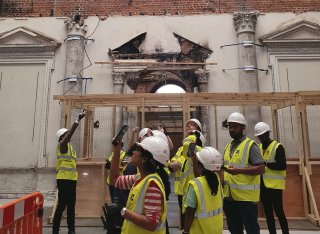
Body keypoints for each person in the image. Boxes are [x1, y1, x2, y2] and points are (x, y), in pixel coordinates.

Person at [109, 136, 171, 234]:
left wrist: (123, 211)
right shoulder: (139, 178)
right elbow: (114, 180)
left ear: (144, 159)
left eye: (137, 150)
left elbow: (151, 224)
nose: (133, 152)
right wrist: (117, 150)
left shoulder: (152, 185)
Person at [223, 112, 265, 234]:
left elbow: (261, 168)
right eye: (230, 127)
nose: (231, 130)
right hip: (229, 198)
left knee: (251, 229)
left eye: (235, 127)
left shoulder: (250, 145)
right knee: (234, 229)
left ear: (243, 128)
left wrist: (239, 171)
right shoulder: (227, 146)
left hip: (246, 200)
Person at [52, 111, 86, 234]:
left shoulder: (70, 148)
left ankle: (71, 229)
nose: (68, 135)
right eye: (66, 134)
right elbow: (69, 134)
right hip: (64, 180)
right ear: (62, 137)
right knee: (62, 206)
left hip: (71, 180)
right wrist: (77, 120)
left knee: (71, 206)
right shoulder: (63, 145)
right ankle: (55, 230)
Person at [168, 118, 204, 230]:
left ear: (198, 130)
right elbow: (172, 164)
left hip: (192, 185)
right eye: (187, 125)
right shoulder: (181, 148)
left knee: (190, 216)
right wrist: (176, 163)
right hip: (181, 187)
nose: (189, 126)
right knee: (185, 216)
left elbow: (178, 163)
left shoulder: (193, 142)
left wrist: (178, 163)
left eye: (192, 125)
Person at [254, 122, 289, 234]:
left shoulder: (278, 147)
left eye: (263, 135)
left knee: (279, 212)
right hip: (263, 186)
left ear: (268, 133)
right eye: (259, 136)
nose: (261, 137)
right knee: (268, 213)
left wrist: (266, 164)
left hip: (275, 186)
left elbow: (282, 165)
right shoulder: (258, 147)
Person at [183, 147, 223, 234]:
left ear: (200, 164)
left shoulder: (195, 184)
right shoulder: (217, 179)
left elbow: (190, 212)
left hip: (200, 231)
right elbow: (202, 177)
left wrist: (185, 231)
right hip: (216, 229)